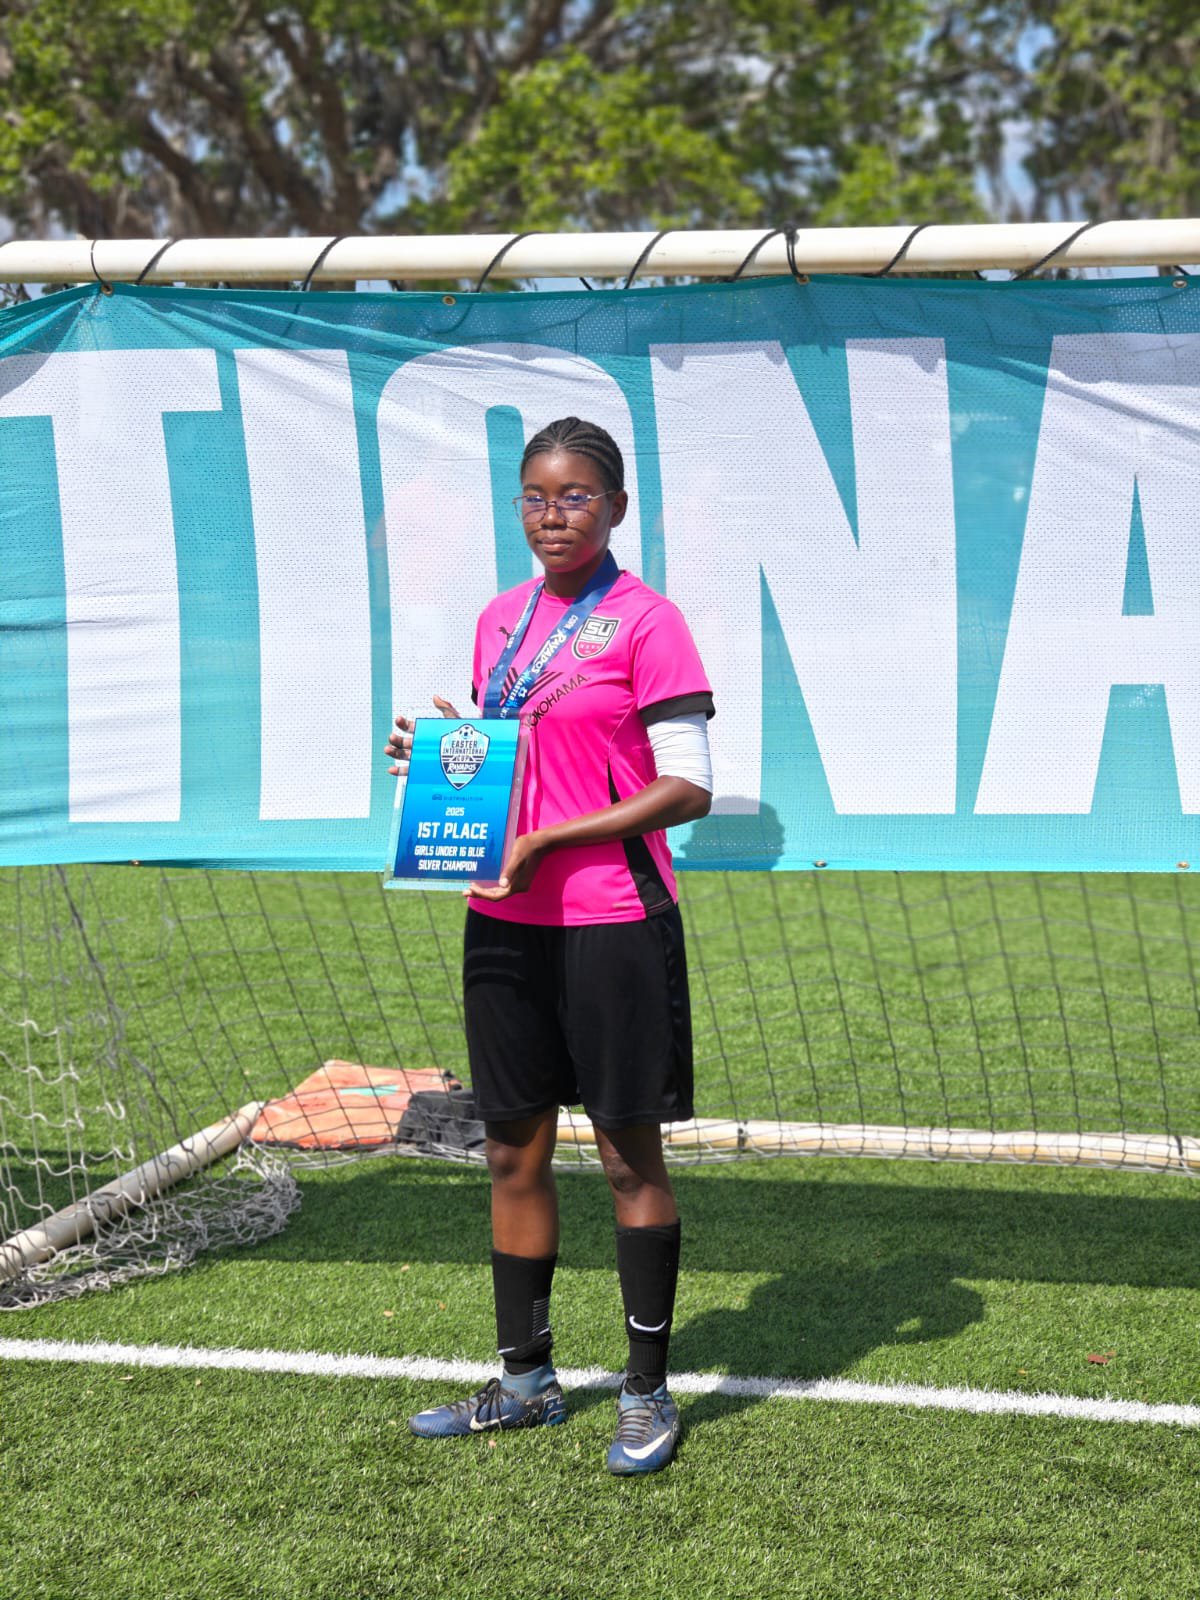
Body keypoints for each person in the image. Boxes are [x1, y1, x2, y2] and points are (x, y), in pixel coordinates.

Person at [385, 415, 714, 1475]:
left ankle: (646, 1392)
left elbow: (688, 786)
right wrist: (445, 756)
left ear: (615, 507)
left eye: (575, 496)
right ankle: (526, 1382)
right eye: (535, 496)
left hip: (613, 923)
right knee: (511, 1151)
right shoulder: (500, 618)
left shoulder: (649, 621)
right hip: (503, 919)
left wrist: (550, 841)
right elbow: (521, 755)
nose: (553, 515)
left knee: (625, 1157)